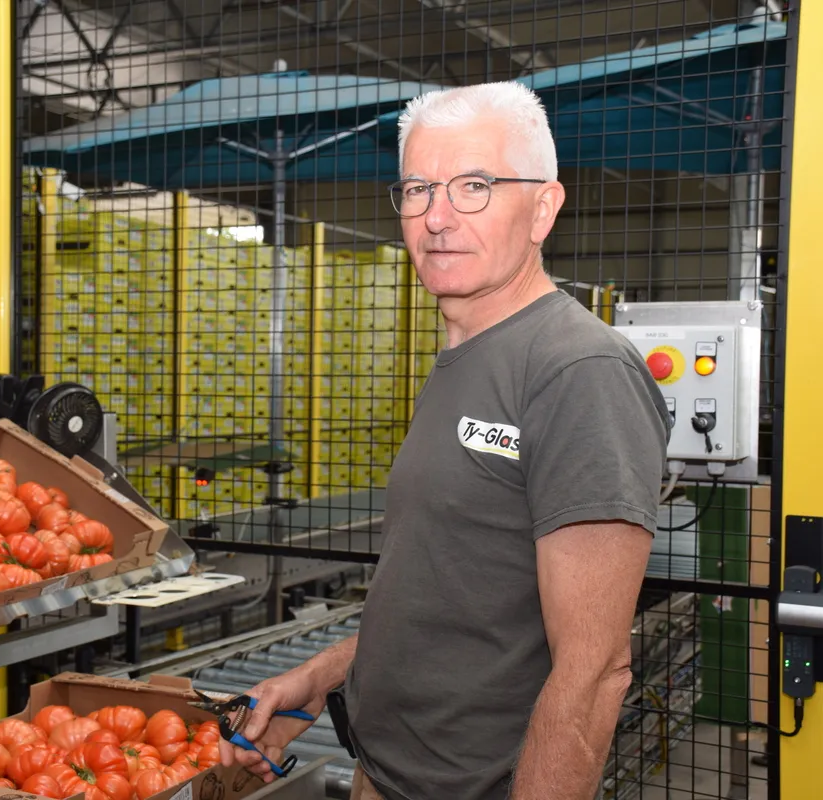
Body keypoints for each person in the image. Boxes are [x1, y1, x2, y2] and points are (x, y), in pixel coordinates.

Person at [217, 81, 671, 800]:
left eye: (475, 186)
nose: (437, 217)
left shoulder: (577, 371)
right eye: (418, 189)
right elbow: (456, 600)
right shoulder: (467, 354)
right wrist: (322, 678)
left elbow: (592, 674)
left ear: (543, 208)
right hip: (387, 772)